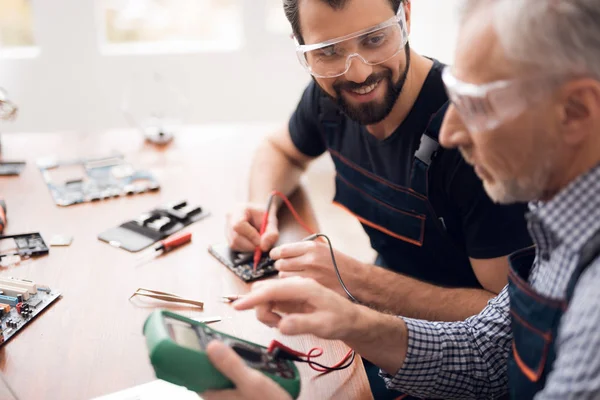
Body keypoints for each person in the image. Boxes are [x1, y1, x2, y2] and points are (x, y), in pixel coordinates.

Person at [204, 0, 600, 398]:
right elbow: (489, 351)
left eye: (477, 104)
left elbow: (496, 321)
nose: (450, 134)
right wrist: (352, 321)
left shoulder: (592, 305)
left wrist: (358, 284)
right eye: (328, 51)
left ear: (577, 111)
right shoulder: (559, 225)